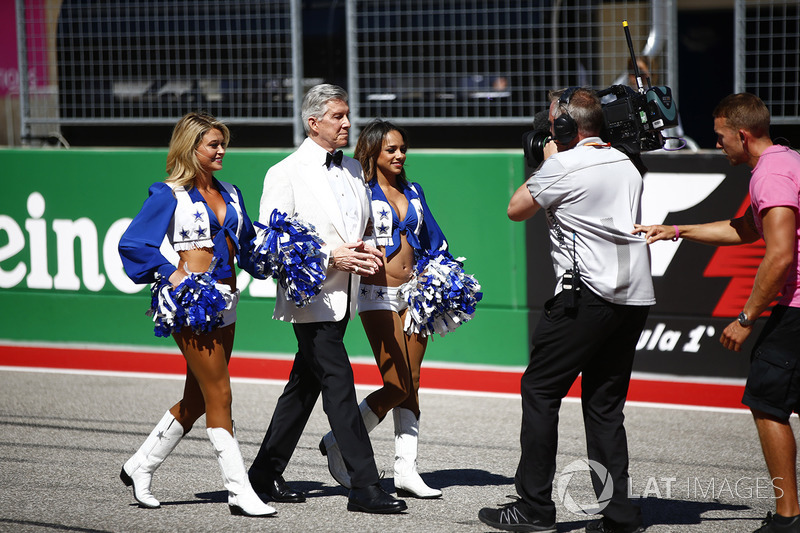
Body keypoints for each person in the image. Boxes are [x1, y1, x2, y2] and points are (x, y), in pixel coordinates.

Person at [478, 87, 654, 533]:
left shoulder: (563, 164)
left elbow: (515, 209)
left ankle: (534, 507)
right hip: (633, 299)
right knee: (605, 407)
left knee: (540, 391)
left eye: (552, 120)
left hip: (584, 298)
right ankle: (617, 513)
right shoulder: (627, 162)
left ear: (565, 127)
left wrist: (548, 160)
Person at [635, 93, 800, 533]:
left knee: (767, 406)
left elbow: (780, 255)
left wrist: (746, 318)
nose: (719, 144)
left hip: (796, 310)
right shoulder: (784, 161)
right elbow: (745, 229)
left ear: (742, 135)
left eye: (721, 137)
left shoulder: (772, 174)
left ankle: (788, 518)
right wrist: (674, 230)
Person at [247, 84, 407, 514]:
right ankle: (365, 485)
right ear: (314, 122)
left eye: (347, 115)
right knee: (338, 382)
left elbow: (362, 227)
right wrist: (329, 254)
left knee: (304, 387)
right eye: (338, 116)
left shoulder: (355, 169)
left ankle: (262, 475)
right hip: (310, 297)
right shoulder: (285, 172)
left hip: (346, 295)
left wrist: (368, 247)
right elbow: (270, 242)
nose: (348, 124)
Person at [117, 112, 276, 517]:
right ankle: (239, 491)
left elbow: (249, 248)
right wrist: (173, 274)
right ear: (192, 148)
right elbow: (134, 244)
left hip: (228, 300)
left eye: (224, 143)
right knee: (221, 392)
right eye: (213, 144)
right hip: (192, 303)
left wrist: (281, 258)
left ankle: (140, 465)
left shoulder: (233, 193)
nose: (222, 150)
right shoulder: (168, 194)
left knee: (198, 397)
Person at [318, 119, 447, 499]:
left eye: (402, 149)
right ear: (372, 152)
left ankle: (406, 469)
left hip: (417, 292)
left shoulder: (414, 189)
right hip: (377, 294)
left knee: (414, 382)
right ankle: (339, 437)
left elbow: (432, 237)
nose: (399, 155)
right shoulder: (359, 190)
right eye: (391, 149)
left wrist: (443, 273)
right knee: (398, 383)